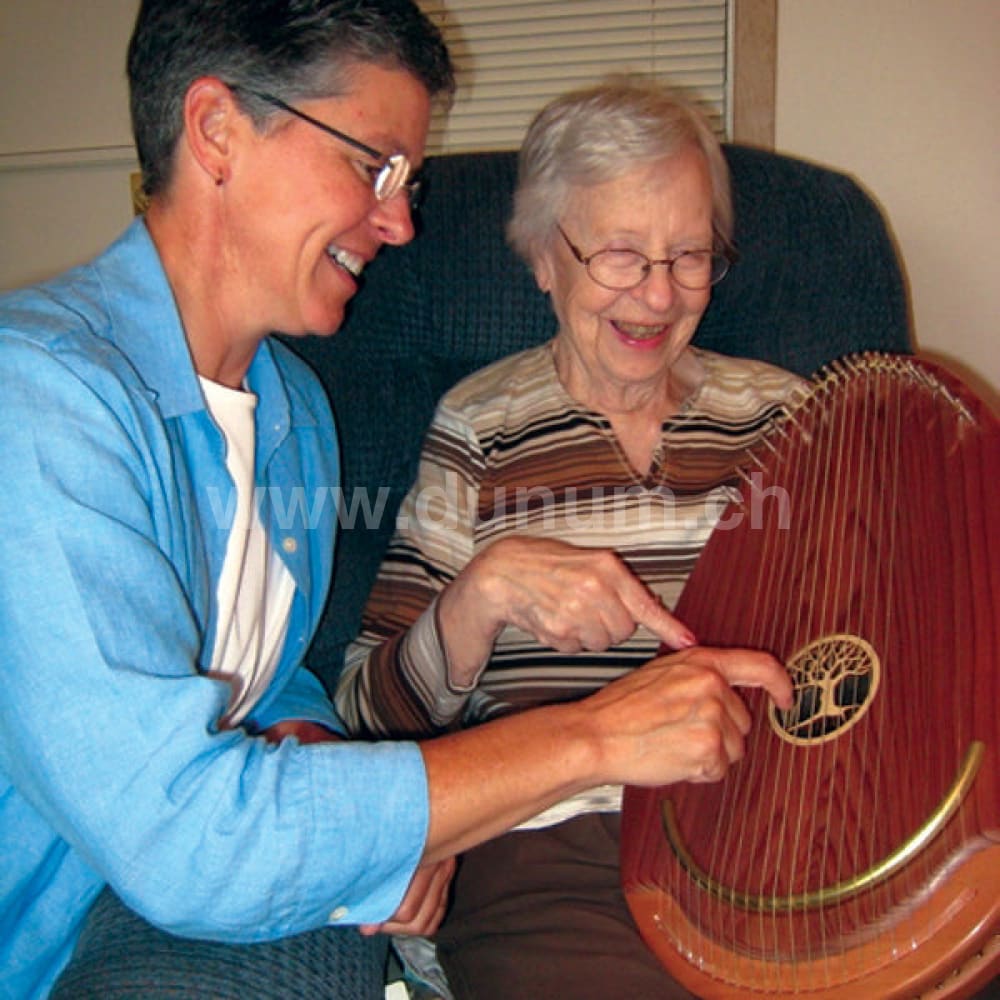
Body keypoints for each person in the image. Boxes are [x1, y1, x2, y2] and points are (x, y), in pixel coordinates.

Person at [0, 5, 793, 998]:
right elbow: (183, 833)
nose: (401, 221)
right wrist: (591, 735)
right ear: (217, 133)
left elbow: (273, 676)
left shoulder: (290, 409)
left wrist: (348, 785)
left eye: (405, 182)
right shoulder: (36, 401)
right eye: (373, 166)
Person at [336, 77, 807, 999]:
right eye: (622, 257)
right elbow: (366, 718)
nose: (661, 297)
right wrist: (480, 598)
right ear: (544, 259)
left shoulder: (790, 419)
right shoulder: (480, 428)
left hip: (774, 830)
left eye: (691, 256)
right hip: (553, 854)